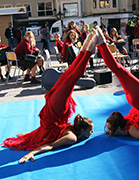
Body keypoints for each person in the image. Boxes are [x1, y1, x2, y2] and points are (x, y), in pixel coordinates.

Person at [1, 30, 97, 163]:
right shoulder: (72, 135)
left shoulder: (71, 135)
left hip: (55, 109)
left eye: (90, 130)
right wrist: (32, 150)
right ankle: (87, 47)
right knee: (70, 74)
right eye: (90, 131)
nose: (91, 133)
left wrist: (32, 152)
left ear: (81, 129)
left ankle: (88, 49)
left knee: (72, 76)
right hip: (55, 109)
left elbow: (51, 145)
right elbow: (50, 145)